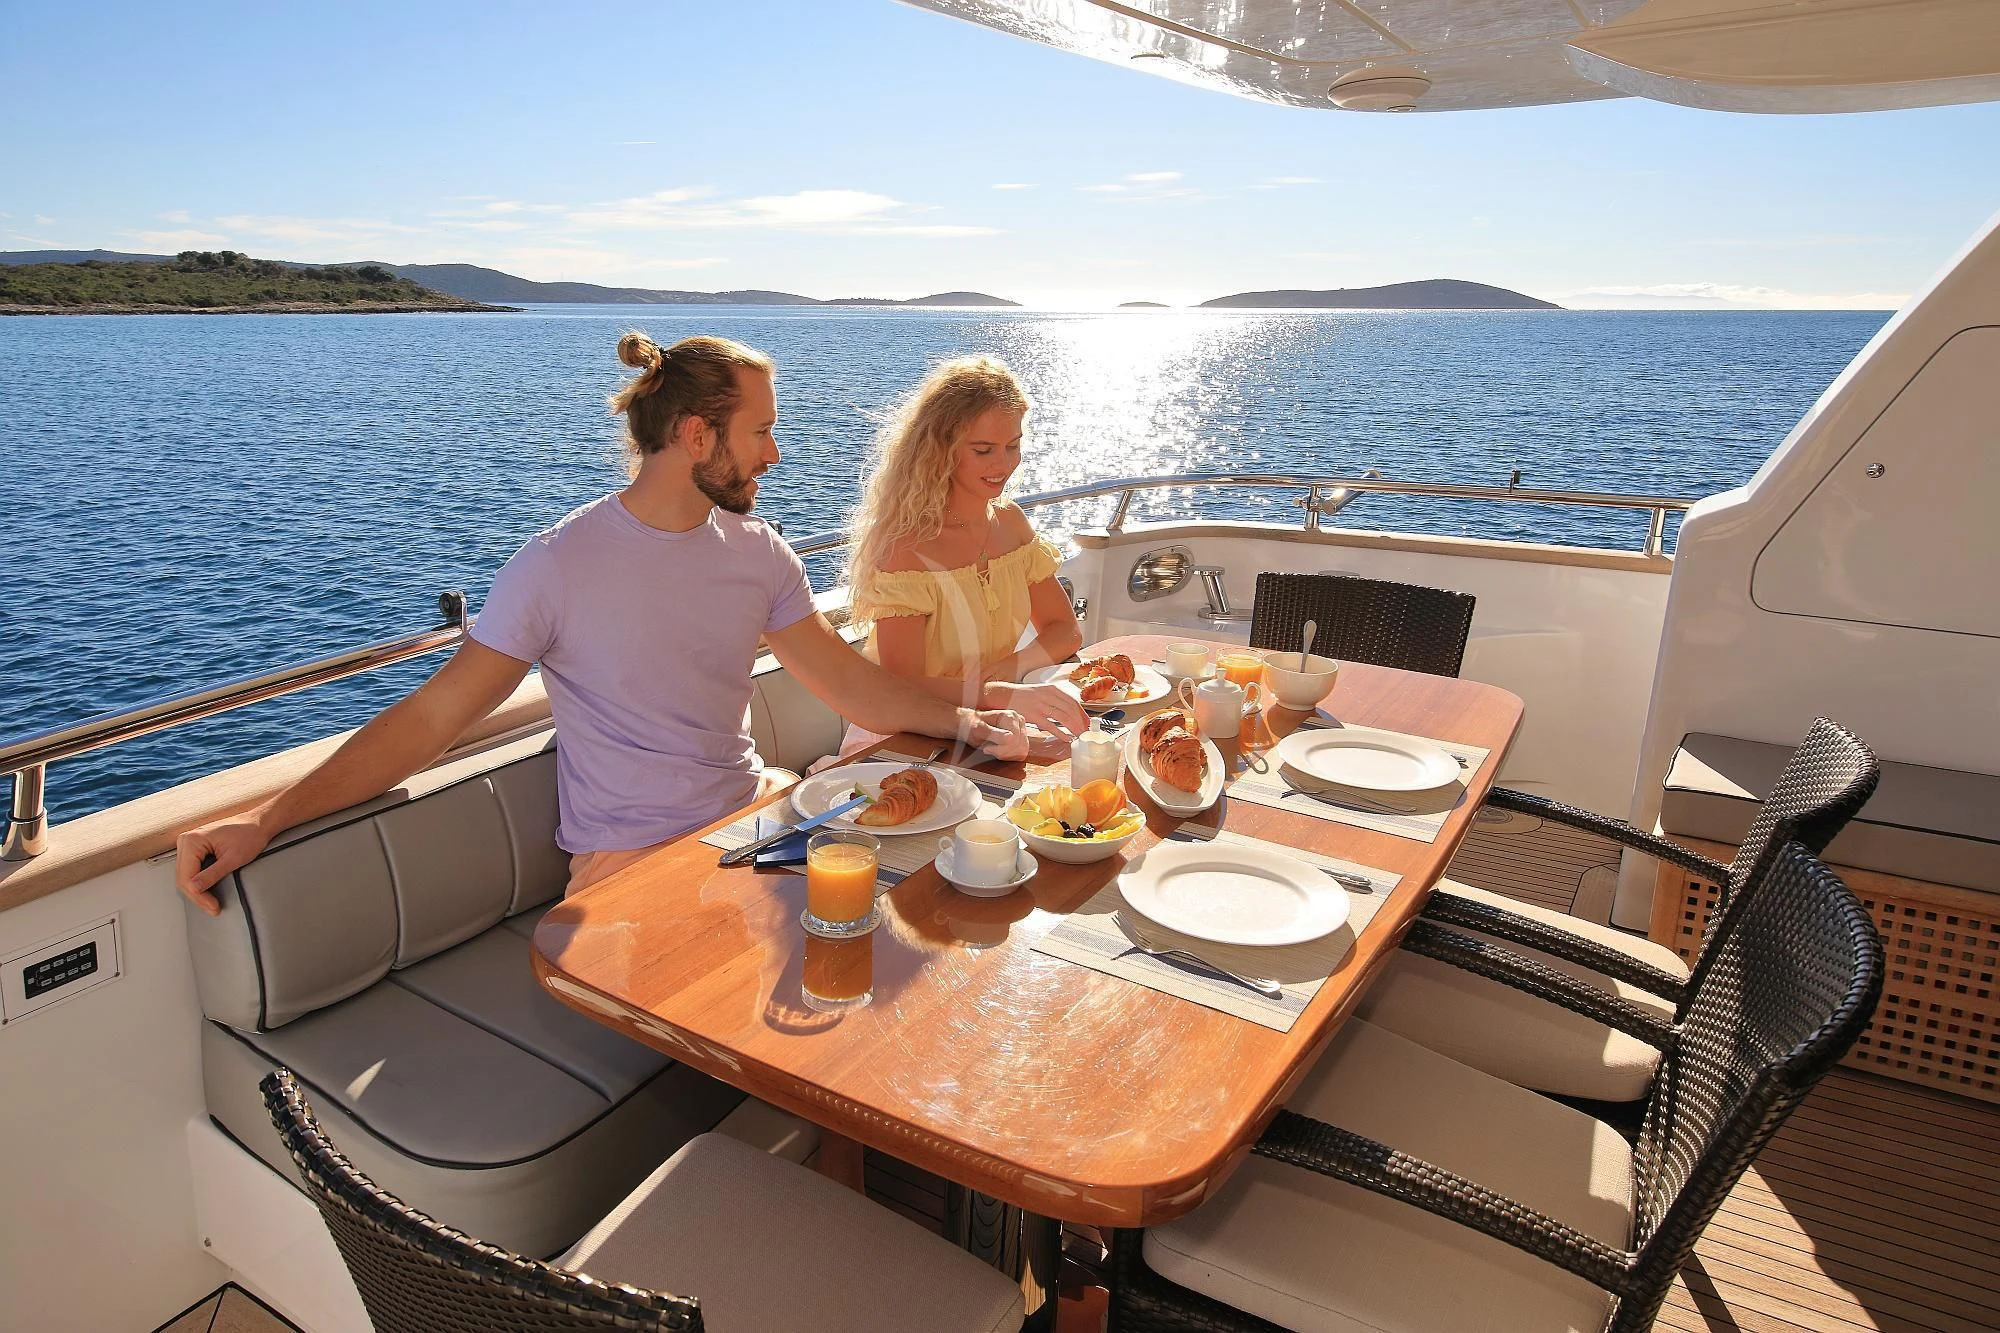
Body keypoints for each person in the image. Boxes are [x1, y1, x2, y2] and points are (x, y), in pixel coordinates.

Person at [175, 332, 1033, 912]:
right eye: (761, 432)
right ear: (696, 435)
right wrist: (266, 820)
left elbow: (848, 682)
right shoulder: (557, 565)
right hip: (634, 863)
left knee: (942, 898)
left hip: (753, 823)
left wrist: (969, 723)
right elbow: (433, 718)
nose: (775, 454)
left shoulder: (759, 552)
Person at [842, 357, 1087, 749]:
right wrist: (996, 692)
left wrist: (1007, 671)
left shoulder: (1011, 523)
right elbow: (902, 684)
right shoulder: (907, 547)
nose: (1003, 464)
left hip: (994, 722)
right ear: (940, 449)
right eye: (983, 450)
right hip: (907, 736)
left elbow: (1065, 629)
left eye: (1012, 446)